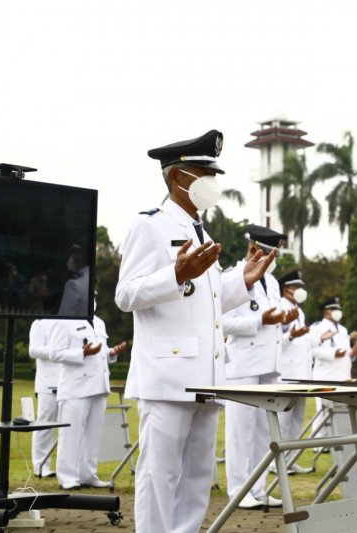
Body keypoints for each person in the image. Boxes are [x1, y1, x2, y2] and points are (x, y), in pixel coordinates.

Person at [115, 129, 275, 533]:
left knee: (197, 476)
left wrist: (245, 281)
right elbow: (126, 295)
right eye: (202, 172)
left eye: (214, 173)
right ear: (176, 178)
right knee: (159, 475)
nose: (212, 182)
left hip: (206, 375)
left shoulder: (200, 230)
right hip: (168, 376)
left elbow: (209, 301)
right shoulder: (150, 225)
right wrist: (174, 274)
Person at [223, 226, 295, 509]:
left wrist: (283, 319)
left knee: (265, 430)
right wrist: (258, 322)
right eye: (270, 253)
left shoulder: (273, 282)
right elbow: (221, 322)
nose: (273, 259)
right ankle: (238, 491)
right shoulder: (233, 277)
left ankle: (259, 487)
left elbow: (271, 316)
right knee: (241, 430)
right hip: (243, 365)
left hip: (269, 363)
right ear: (254, 250)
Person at [48, 312, 126, 489]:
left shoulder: (98, 322)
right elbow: (54, 354)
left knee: (93, 435)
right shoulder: (64, 321)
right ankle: (67, 477)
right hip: (75, 387)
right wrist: (81, 353)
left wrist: (111, 352)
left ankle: (87, 475)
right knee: (71, 435)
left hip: (98, 385)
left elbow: (100, 351)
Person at [275, 269, 314, 473]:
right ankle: (276, 462)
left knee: (297, 421)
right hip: (286, 374)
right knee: (283, 421)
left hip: (301, 375)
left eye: (300, 287)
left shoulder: (300, 310)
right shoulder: (280, 307)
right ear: (286, 289)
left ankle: (290, 460)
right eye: (296, 287)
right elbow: (276, 342)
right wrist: (291, 335)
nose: (299, 290)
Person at [310, 297, 356, 439]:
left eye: (338, 309)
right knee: (323, 409)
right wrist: (332, 353)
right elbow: (311, 350)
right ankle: (319, 442)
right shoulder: (317, 328)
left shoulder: (343, 329)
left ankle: (338, 438)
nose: (337, 312)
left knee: (342, 409)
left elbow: (346, 353)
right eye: (333, 309)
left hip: (343, 374)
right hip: (325, 374)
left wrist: (352, 354)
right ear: (326, 311)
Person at [28, 319, 61, 477]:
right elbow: (33, 350)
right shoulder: (40, 322)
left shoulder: (72, 322)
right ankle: (41, 466)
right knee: (44, 425)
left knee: (69, 427)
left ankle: (65, 467)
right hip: (48, 382)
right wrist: (57, 350)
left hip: (70, 383)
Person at [58, 245, 91, 316]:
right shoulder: (91, 278)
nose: (69, 261)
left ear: (79, 258)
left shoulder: (73, 285)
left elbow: (63, 316)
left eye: (71, 256)